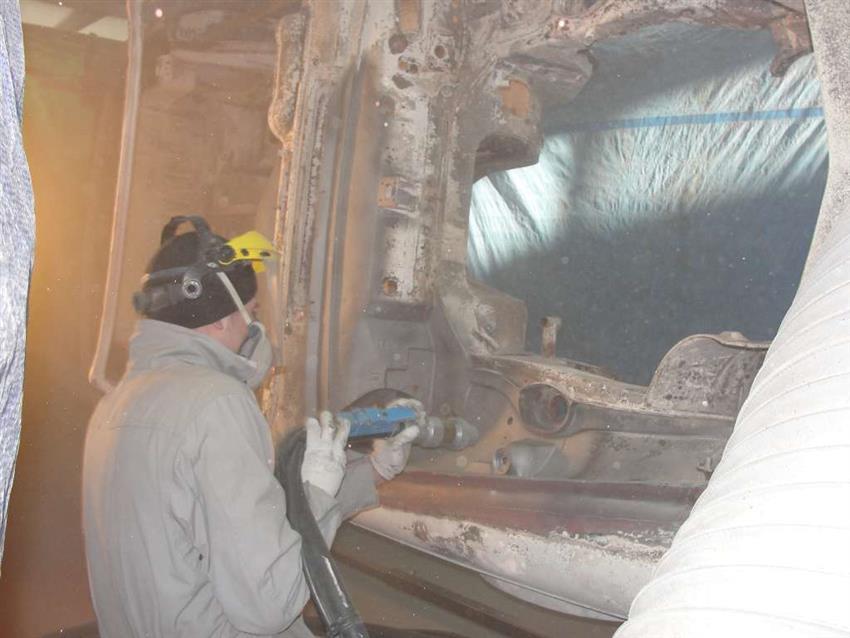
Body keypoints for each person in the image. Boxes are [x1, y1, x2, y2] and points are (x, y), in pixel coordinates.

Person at [82, 216, 419, 637]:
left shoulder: (115, 405)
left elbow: (241, 524)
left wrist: (373, 470)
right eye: (252, 311)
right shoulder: (215, 402)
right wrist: (318, 492)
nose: (254, 325)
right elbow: (271, 601)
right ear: (221, 318)